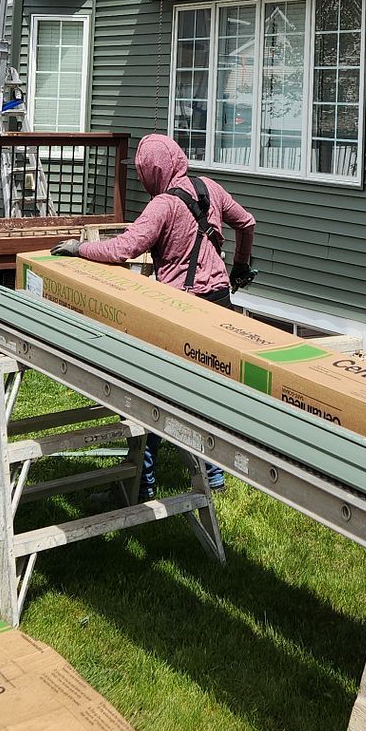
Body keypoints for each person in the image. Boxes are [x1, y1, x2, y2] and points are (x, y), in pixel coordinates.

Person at [51, 133, 256, 497]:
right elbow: (247, 223)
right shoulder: (209, 187)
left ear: (154, 171)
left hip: (179, 308)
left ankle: (138, 485)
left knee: (149, 392)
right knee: (205, 391)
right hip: (220, 301)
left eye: (143, 172)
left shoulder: (162, 205)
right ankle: (213, 477)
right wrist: (239, 267)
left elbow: (124, 248)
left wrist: (79, 247)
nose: (142, 180)